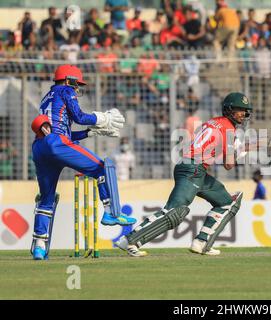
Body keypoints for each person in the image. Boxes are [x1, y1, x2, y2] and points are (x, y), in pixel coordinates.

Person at [115, 92, 254, 257]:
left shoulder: (213, 122)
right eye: (239, 109)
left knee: (227, 202)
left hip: (194, 169)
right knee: (175, 211)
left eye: (245, 110)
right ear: (229, 109)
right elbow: (229, 165)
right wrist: (244, 151)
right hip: (193, 169)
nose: (243, 114)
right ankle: (130, 240)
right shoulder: (228, 128)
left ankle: (202, 243)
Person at [30, 64, 136, 260]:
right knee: (102, 167)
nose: (77, 89)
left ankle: (39, 246)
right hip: (57, 144)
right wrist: (100, 118)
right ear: (69, 80)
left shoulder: (47, 97)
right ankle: (110, 212)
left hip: (39, 148)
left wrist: (89, 132)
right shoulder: (66, 90)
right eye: (76, 84)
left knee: (46, 199)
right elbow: (78, 117)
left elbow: (64, 131)